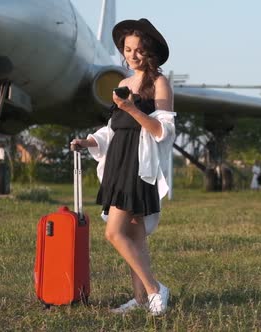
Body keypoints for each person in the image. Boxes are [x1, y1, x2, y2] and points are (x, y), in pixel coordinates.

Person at [69, 18, 175, 316]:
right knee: (134, 234)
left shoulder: (159, 83)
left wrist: (131, 108)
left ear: (149, 51)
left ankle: (155, 289)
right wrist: (88, 142)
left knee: (114, 233)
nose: (132, 55)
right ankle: (141, 300)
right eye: (128, 49)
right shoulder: (123, 85)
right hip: (117, 161)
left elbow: (164, 130)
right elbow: (112, 129)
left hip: (138, 165)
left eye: (139, 50)